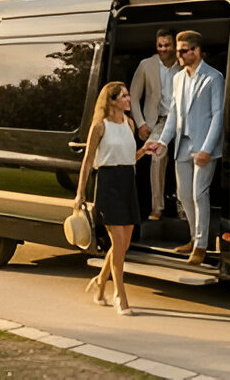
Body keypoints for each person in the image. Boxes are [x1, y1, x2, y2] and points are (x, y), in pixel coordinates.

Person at [146, 30, 224, 265]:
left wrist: (207, 149)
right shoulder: (178, 78)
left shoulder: (214, 77)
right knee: (184, 196)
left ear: (196, 51)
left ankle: (201, 245)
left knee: (200, 194)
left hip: (204, 147)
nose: (177, 54)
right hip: (182, 145)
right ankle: (193, 237)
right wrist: (163, 141)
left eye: (182, 51)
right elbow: (173, 114)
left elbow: (218, 116)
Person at [75, 81, 147, 316]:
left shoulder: (130, 123)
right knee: (117, 242)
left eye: (128, 95)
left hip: (127, 183)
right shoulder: (99, 126)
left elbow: (128, 157)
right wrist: (80, 193)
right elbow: (88, 161)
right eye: (124, 96)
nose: (128, 99)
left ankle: (100, 281)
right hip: (108, 184)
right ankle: (120, 295)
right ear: (112, 101)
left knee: (122, 246)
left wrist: (144, 151)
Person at [128, 28, 181, 220]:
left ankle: (183, 210)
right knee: (156, 159)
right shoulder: (146, 65)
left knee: (184, 161)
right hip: (157, 121)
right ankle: (157, 207)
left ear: (175, 46)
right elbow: (134, 97)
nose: (163, 49)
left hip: (181, 119)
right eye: (160, 45)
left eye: (167, 45)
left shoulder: (183, 65)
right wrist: (141, 123)